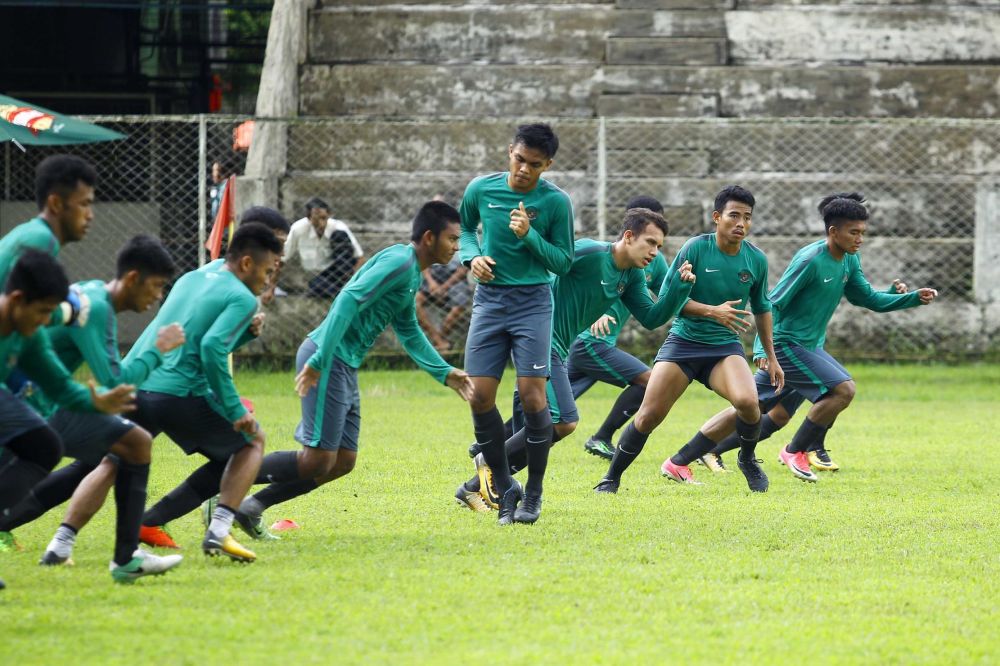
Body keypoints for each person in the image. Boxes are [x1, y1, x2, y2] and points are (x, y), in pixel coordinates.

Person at [231, 201, 474, 538]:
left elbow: (408, 330)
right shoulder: (398, 262)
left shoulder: (411, 273)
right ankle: (222, 486)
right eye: (452, 239)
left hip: (343, 364)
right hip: (327, 356)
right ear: (430, 237)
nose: (457, 247)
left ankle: (250, 507)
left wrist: (444, 372)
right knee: (317, 459)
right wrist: (319, 360)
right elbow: (348, 299)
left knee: (343, 461)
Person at [455, 208, 695, 519]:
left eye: (659, 247)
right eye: (650, 242)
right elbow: (546, 271)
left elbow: (652, 318)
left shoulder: (631, 275)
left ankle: (474, 486)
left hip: (557, 348)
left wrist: (679, 287)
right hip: (538, 341)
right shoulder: (588, 252)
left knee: (542, 428)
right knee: (563, 421)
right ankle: (492, 460)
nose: (654, 252)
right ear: (628, 236)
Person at [684, 192, 938, 481]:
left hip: (808, 347)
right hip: (787, 345)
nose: (860, 239)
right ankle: (796, 451)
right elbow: (772, 304)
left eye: (863, 233)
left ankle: (699, 453)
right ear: (834, 232)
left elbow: (867, 298)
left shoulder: (848, 261)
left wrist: (910, 298)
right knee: (843, 390)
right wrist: (763, 350)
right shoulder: (810, 260)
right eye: (854, 232)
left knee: (767, 411)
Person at [0, 237, 185, 581]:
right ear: (132, 279)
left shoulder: (87, 302)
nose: (158, 296)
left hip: (45, 401)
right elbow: (115, 379)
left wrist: (90, 401)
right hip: (33, 405)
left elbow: (62, 380)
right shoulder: (96, 308)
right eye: (157, 286)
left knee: (132, 443)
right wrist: (158, 349)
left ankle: (119, 556)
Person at [594, 185, 783, 495]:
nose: (741, 224)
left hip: (724, 347)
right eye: (734, 216)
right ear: (717, 217)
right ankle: (611, 477)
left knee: (750, 404)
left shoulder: (756, 260)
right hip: (683, 343)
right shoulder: (695, 249)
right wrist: (712, 311)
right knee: (649, 415)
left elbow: (762, 309)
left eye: (747, 218)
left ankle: (747, 458)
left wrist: (770, 356)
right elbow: (669, 300)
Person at [123, 223, 282, 563]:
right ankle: (219, 531)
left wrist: (243, 336)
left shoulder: (191, 279)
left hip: (145, 387)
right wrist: (235, 409)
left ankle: (63, 539)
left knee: (103, 463)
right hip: (181, 392)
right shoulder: (242, 297)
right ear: (245, 263)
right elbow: (210, 349)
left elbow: (194, 338)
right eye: (268, 271)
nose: (268, 281)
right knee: (253, 443)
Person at [459, 123, 575, 525]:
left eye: (535, 165)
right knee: (478, 396)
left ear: (548, 165)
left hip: (533, 303)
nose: (524, 170)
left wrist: (529, 236)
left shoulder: (556, 203)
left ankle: (535, 494)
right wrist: (470, 258)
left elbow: (563, 261)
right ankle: (508, 487)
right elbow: (463, 230)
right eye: (519, 160)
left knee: (533, 399)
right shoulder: (481, 189)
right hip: (490, 302)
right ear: (510, 151)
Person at [0, 251, 135, 586]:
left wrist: (98, 403)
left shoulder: (28, 334)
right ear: (17, 299)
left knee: (43, 445)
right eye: (43, 311)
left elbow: (59, 385)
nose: (47, 321)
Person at [568, 195, 670, 461]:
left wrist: (705, 308)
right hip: (590, 341)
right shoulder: (599, 254)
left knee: (544, 403)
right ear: (629, 230)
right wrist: (593, 314)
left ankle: (490, 444)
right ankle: (602, 437)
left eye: (656, 238)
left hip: (597, 344)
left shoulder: (651, 263)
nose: (652, 247)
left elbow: (665, 303)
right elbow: (557, 269)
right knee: (649, 380)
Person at [0, 154, 97, 330]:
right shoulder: (42, 239)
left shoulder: (33, 233)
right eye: (84, 204)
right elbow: (22, 309)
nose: (90, 215)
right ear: (56, 203)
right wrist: (69, 311)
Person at [284, 197, 364, 298]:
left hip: (338, 273)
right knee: (317, 286)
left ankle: (343, 291)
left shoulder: (338, 227)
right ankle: (337, 293)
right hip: (316, 277)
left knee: (339, 235)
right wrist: (271, 287)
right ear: (308, 218)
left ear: (329, 215)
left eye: (324, 218)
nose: (321, 224)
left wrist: (352, 283)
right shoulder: (298, 229)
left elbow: (359, 257)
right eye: (316, 220)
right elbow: (283, 257)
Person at [415, 257, 470, 352]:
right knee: (415, 303)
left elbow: (463, 270)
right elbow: (423, 262)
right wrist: (431, 282)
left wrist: (444, 287)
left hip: (456, 280)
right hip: (433, 278)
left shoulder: (462, 245)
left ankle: (439, 340)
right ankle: (439, 341)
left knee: (459, 307)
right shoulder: (431, 243)